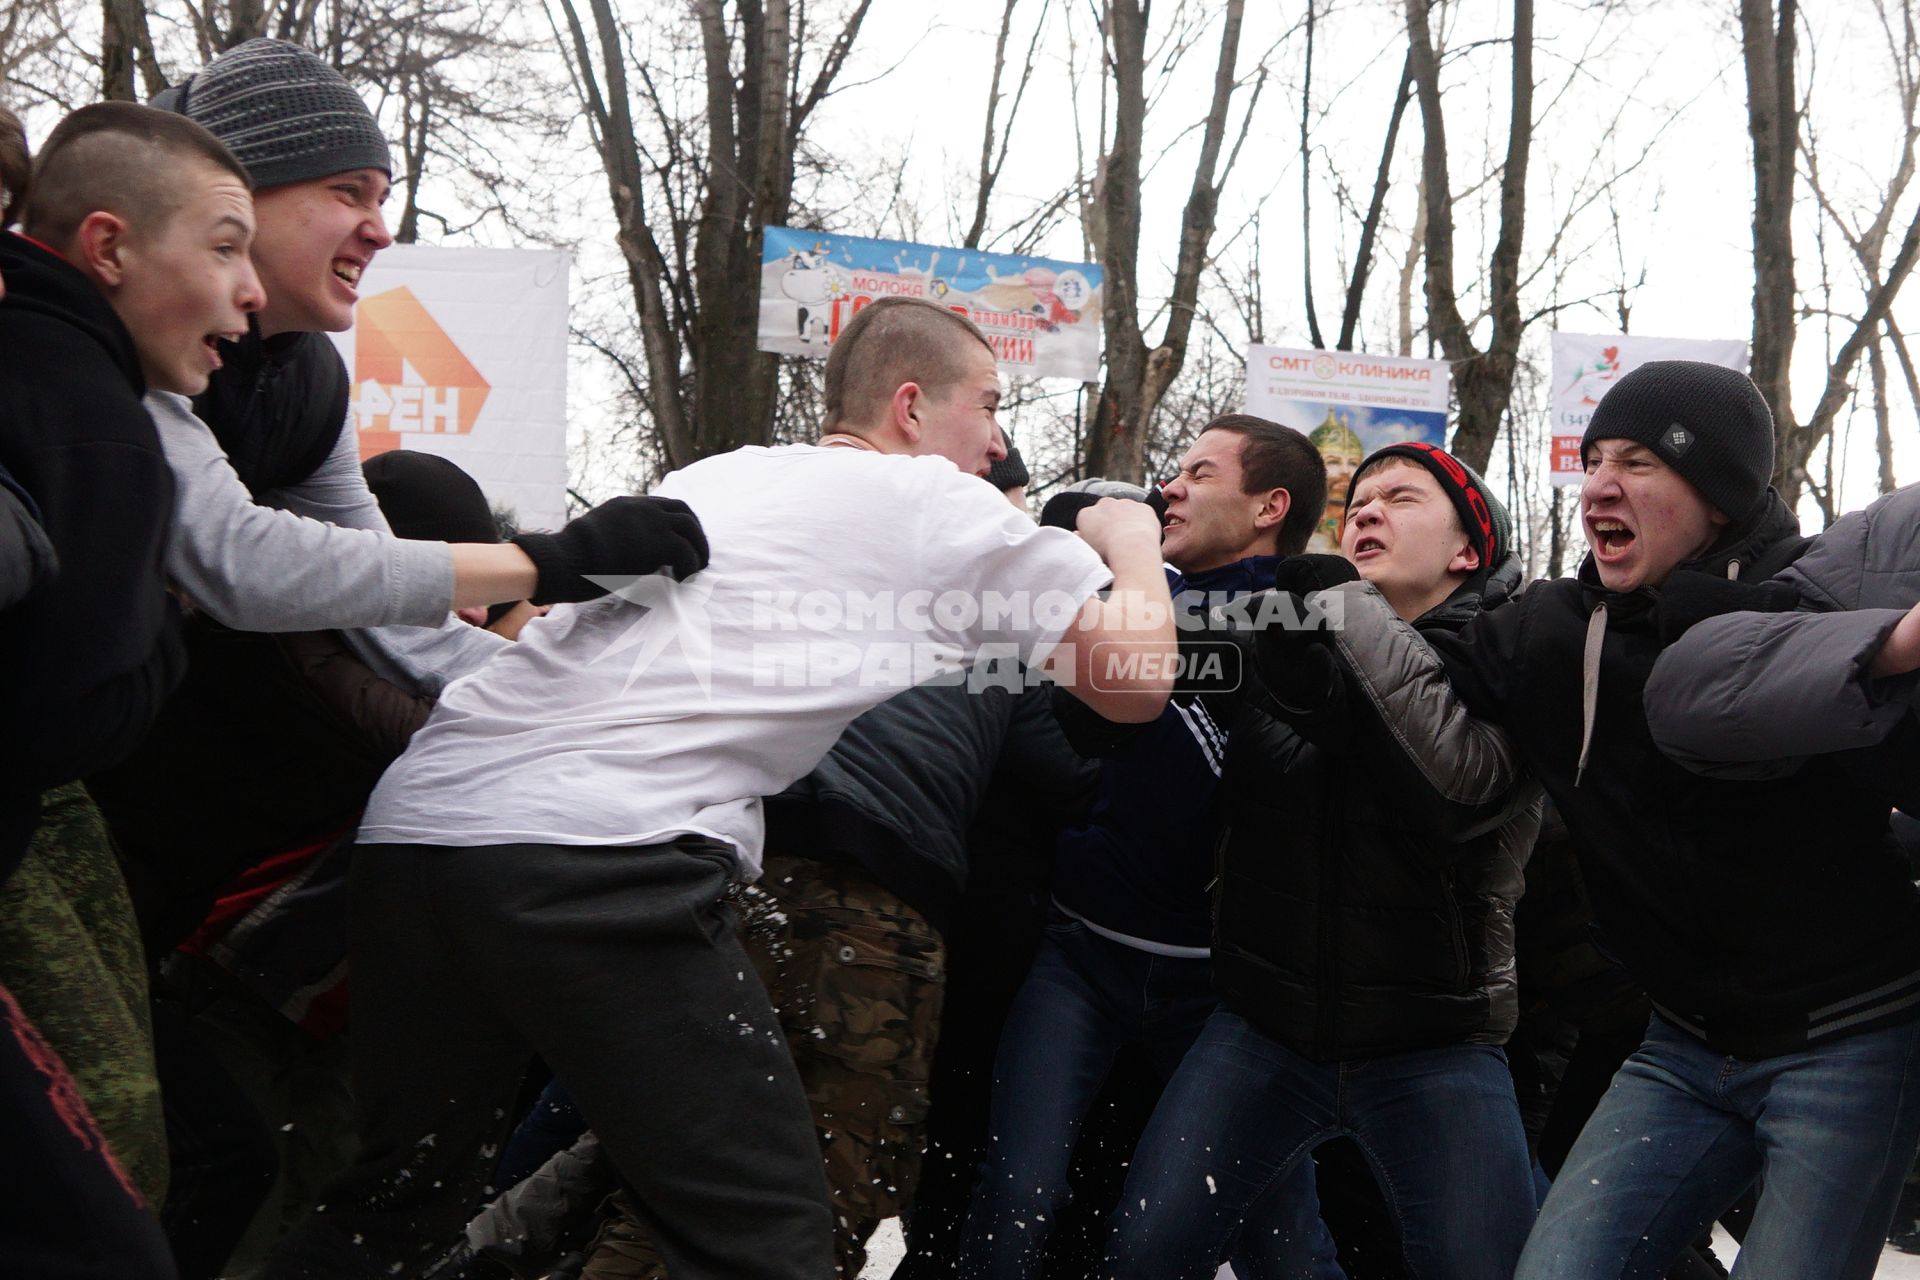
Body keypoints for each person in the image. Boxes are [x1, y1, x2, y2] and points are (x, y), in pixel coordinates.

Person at [259, 296, 1176, 1280]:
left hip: (424, 826)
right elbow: (1135, 685)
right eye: (989, 405)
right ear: (911, 406)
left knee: (398, 1201)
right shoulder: (930, 499)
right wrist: (1130, 544)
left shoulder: (719, 473)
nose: (998, 439)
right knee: (769, 1235)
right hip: (600, 850)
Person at [1310, 361, 1920, 1280]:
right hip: (1678, 1047)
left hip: (1850, 1041)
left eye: (1639, 461)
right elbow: (1427, 689)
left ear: (1717, 494)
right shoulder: (1552, 630)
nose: (1599, 483)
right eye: (1594, 458)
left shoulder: (1815, 607)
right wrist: (1319, 628)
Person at [1103, 443, 1541, 1280]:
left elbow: (1455, 795)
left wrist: (1339, 605)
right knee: (1143, 1257)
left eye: (1402, 498)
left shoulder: (1518, 659)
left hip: (1437, 1045)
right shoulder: (1285, 641)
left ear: (1468, 550)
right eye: (1360, 500)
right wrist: (1101, 590)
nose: (1367, 511)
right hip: (1259, 1030)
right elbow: (1137, 678)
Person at [957, 414, 1329, 1279]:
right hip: (1081, 956)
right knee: (1016, 1196)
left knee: (1277, 1232)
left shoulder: (1308, 625)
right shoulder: (1130, 590)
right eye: (1176, 470)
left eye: (1201, 474)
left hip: (1224, 993)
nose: (1171, 486)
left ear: (1271, 505)